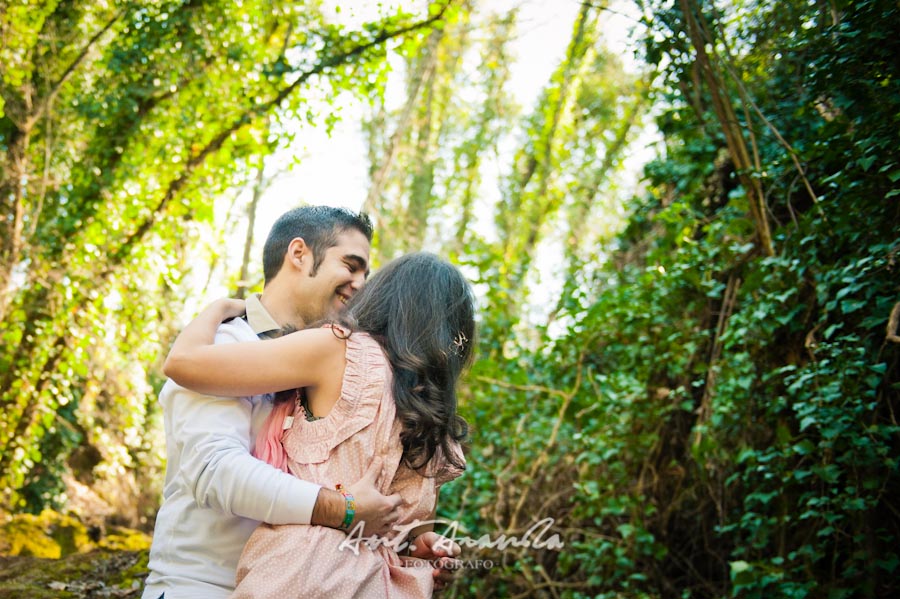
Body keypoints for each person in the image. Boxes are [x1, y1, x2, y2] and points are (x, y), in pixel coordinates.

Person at [143, 207, 459, 599]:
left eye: (368, 275)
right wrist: (341, 508)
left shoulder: (341, 367)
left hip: (295, 581)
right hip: (203, 586)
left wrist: (409, 549)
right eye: (351, 265)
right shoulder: (226, 344)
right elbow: (215, 470)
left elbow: (360, 491)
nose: (361, 285)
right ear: (299, 254)